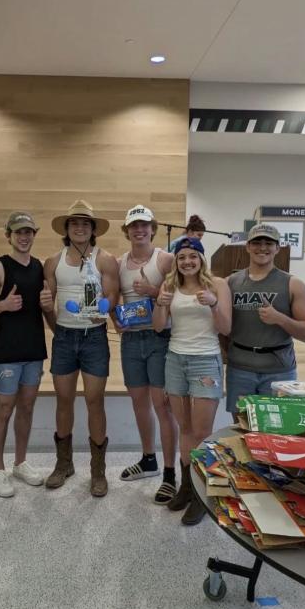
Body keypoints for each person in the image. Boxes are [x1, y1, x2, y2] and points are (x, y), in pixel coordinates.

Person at [43, 199, 119, 497]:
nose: (79, 227)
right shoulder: (53, 261)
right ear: (66, 228)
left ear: (93, 229)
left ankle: (98, 471)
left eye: (85, 223)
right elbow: (47, 301)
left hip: (94, 338)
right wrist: (56, 327)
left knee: (94, 400)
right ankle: (64, 464)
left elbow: (111, 297)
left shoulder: (106, 260)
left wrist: (103, 310)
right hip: (64, 337)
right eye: (74, 223)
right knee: (63, 400)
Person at [153, 238, 231, 525]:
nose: (187, 261)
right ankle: (187, 487)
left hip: (206, 360)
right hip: (175, 359)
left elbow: (226, 327)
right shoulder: (169, 285)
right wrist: (160, 304)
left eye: (192, 256)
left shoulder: (217, 285)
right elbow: (158, 326)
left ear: (201, 259)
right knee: (184, 428)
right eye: (182, 257)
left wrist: (214, 304)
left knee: (202, 431)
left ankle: (202, 493)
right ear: (176, 261)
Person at [0, 211, 54, 497]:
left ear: (34, 235)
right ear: (8, 235)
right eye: (18, 232)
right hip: (7, 351)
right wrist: (3, 305)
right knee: (4, 408)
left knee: (27, 407)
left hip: (34, 350)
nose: (24, 237)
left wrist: (48, 307)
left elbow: (46, 311)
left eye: (28, 232)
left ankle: (20, 462)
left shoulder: (39, 267)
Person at [115, 204, 178, 503]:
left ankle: (170, 473)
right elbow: (113, 298)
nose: (139, 230)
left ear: (153, 229)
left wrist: (153, 292)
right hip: (131, 340)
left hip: (160, 338)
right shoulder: (118, 263)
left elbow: (183, 297)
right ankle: (148, 459)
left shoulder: (165, 260)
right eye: (134, 226)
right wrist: (115, 319)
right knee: (139, 403)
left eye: (144, 225)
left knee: (162, 406)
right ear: (126, 231)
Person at [225, 223, 305, 418]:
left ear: (277, 248)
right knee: (242, 426)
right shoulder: (231, 282)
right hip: (240, 369)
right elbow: (220, 326)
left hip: (279, 371)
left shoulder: (293, 284)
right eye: (257, 242)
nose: (262, 248)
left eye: (268, 243)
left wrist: (280, 319)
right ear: (248, 247)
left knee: (276, 427)